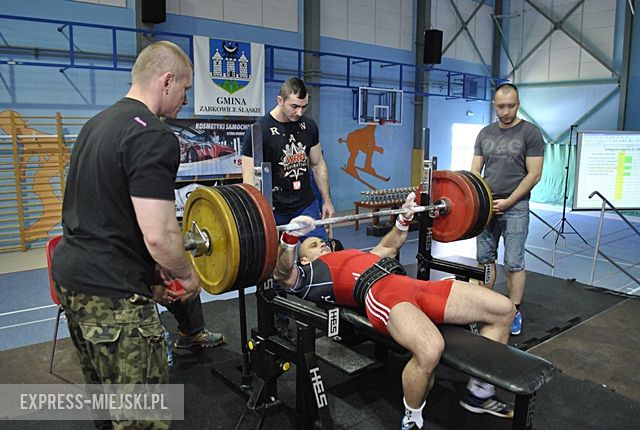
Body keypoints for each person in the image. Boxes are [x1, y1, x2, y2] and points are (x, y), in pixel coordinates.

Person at [50, 41, 212, 428]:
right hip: (114, 296)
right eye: (185, 89)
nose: (184, 100)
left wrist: (151, 272)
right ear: (167, 81)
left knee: (107, 409)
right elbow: (159, 235)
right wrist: (188, 275)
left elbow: (106, 213)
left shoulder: (96, 124)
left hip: (74, 285)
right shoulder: (153, 136)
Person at [273, 194, 516, 429]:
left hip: (416, 287)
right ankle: (412, 418)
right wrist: (290, 240)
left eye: (321, 241)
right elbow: (282, 275)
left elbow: (388, 246)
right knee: (430, 349)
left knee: (504, 309)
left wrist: (404, 218)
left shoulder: (352, 255)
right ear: (304, 260)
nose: (322, 243)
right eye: (314, 245)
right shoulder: (312, 274)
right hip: (383, 296)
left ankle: (479, 393)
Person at [471, 82, 545, 336]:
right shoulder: (484, 133)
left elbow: (534, 175)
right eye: (501, 106)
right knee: (484, 260)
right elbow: (474, 173)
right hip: (487, 207)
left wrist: (510, 201)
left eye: (511, 106)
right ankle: (484, 307)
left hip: (516, 206)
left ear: (518, 104)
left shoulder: (530, 133)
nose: (506, 111)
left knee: (514, 262)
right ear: (494, 106)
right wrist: (480, 201)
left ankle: (514, 311)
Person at [241, 76, 334, 241]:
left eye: (304, 107)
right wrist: (257, 213)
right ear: (280, 100)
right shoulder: (258, 131)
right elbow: (249, 180)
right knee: (276, 263)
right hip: (273, 210)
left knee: (321, 253)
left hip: (306, 206)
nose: (299, 112)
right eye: (294, 106)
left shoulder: (309, 126)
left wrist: (326, 200)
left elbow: (317, 163)